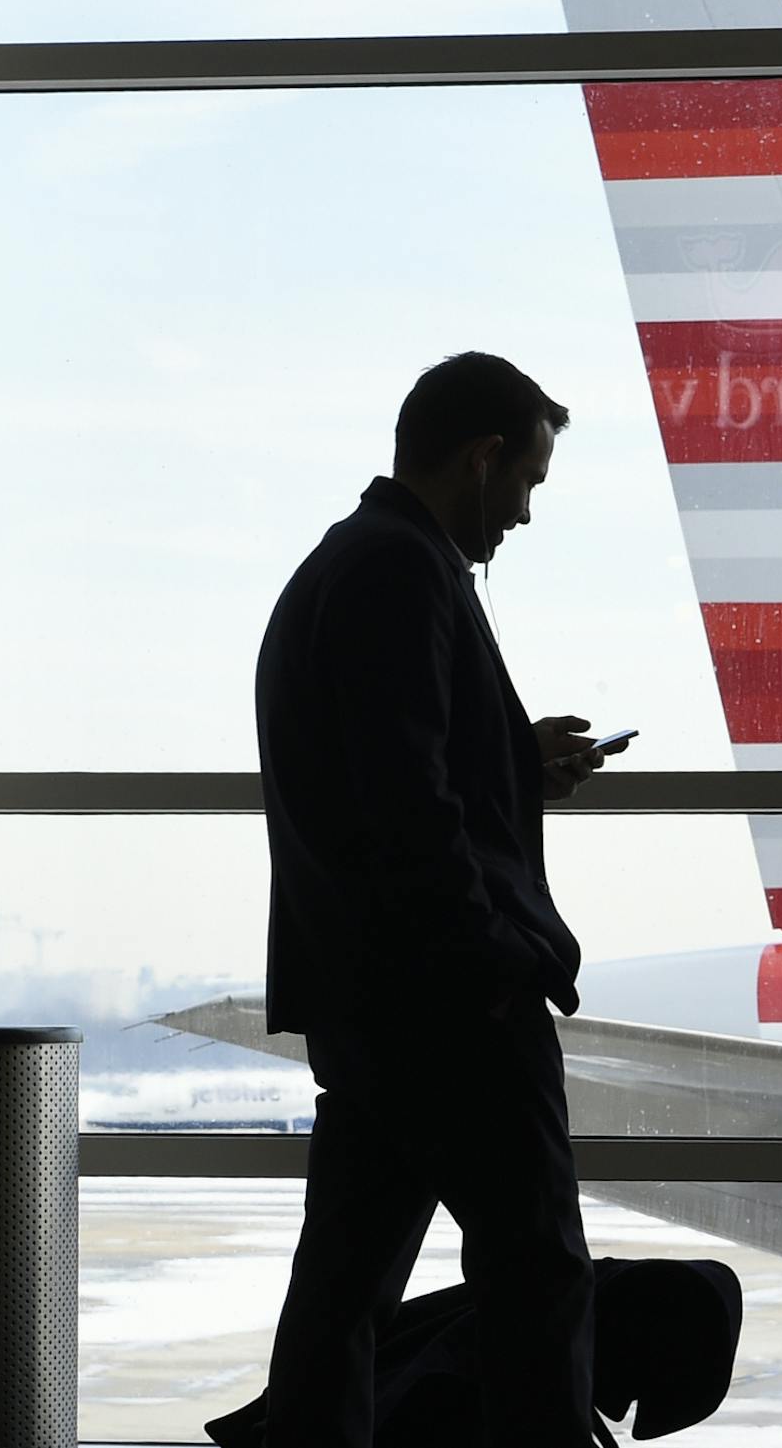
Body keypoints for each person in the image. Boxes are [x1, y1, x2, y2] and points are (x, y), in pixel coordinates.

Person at [253, 351, 622, 1446]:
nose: (522, 514)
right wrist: (499, 959)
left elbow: (388, 761)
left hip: (374, 996)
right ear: (482, 458)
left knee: (346, 1294)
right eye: (527, 485)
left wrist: (512, 754)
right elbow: (407, 807)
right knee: (537, 1274)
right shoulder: (399, 574)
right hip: (446, 1004)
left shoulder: (354, 564)